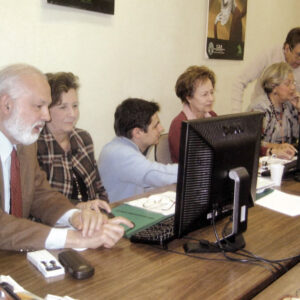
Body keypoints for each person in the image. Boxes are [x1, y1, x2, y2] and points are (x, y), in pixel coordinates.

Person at [0, 64, 133, 251]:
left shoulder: (25, 143)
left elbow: (40, 194)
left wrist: (76, 217)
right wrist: (73, 239)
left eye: (47, 106)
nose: (46, 116)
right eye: (39, 106)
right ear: (7, 104)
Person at [37, 72, 108, 210]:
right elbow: (39, 203)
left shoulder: (83, 138)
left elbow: (98, 188)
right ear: (46, 109)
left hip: (93, 220)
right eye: (63, 107)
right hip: (57, 225)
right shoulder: (35, 147)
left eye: (75, 106)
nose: (73, 114)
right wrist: (80, 208)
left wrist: (105, 212)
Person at [98, 98, 178, 202]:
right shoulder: (120, 154)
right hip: (118, 214)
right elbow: (158, 175)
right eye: (155, 126)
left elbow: (148, 184)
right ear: (137, 133)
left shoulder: (122, 147)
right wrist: (197, 170)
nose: (161, 128)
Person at [232, 27, 300, 113]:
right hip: (260, 113)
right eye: (298, 55)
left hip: (286, 118)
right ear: (287, 48)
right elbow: (240, 81)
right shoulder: (269, 55)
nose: (299, 60)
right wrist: (236, 115)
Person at [247, 62, 300, 159]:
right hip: (264, 161)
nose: (293, 87)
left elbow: (297, 136)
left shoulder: (288, 105)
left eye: (293, 83)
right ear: (273, 86)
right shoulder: (260, 108)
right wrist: (277, 147)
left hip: (285, 160)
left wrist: (299, 109)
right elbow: (252, 143)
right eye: (288, 83)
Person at [168, 65, 217, 163]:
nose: (211, 98)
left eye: (211, 92)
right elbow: (191, 162)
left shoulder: (212, 116)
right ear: (188, 97)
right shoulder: (179, 125)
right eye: (205, 94)